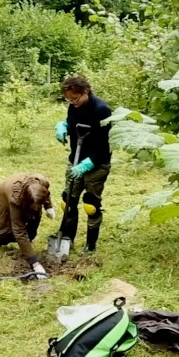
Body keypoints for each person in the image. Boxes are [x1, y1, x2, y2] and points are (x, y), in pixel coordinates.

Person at [54, 76, 112, 254]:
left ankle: (90, 244)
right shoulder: (74, 106)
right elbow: (72, 126)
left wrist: (86, 165)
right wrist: (63, 127)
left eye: (75, 98)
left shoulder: (102, 110)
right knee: (68, 201)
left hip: (96, 164)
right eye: (68, 99)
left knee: (91, 205)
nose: (72, 102)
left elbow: (105, 145)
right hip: (75, 160)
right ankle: (67, 239)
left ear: (85, 92)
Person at [0, 173, 56, 278]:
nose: (36, 208)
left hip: (29, 197)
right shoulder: (16, 197)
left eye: (38, 205)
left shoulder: (42, 182)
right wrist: (35, 264)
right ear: (26, 199)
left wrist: (48, 206)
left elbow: (46, 193)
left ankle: (27, 245)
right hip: (1, 198)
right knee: (1, 226)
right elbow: (19, 230)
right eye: (34, 205)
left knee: (34, 217)